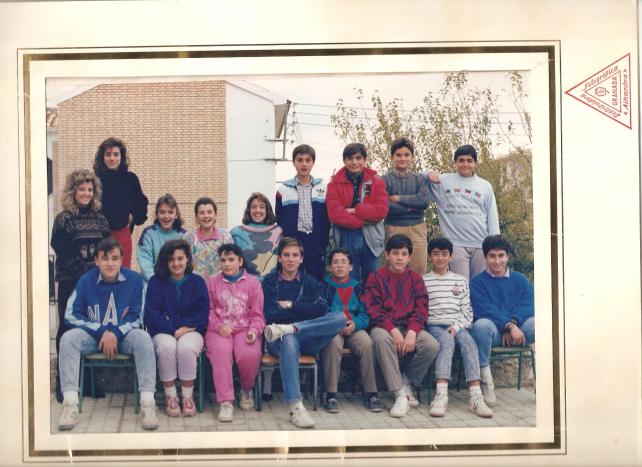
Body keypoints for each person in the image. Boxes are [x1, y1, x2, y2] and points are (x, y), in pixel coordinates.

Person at [57, 238, 159, 431]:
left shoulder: (134, 280)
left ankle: (147, 403)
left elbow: (137, 315)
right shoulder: (86, 280)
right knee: (68, 339)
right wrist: (102, 331)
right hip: (94, 337)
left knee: (144, 338)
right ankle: (70, 405)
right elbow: (71, 313)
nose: (110, 263)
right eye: (105, 258)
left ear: (122, 260)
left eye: (115, 258)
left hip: (124, 336)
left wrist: (115, 333)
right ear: (96, 260)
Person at [262, 237, 345, 428]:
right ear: (280, 258)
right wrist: (305, 311)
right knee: (289, 339)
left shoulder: (310, 281)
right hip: (277, 339)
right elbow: (270, 312)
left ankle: (291, 328)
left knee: (339, 317)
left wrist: (291, 305)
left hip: (305, 337)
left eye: (295, 255)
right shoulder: (270, 282)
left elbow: (321, 309)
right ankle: (296, 407)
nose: (291, 259)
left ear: (301, 258)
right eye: (286, 255)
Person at [51, 169, 111, 402]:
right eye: (82, 189)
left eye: (90, 189)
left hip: (96, 283)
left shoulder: (100, 219)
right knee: (67, 330)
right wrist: (86, 274)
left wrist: (99, 273)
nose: (86, 193)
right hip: (71, 282)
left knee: (93, 328)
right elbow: (63, 250)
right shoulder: (63, 219)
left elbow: (106, 250)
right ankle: (65, 385)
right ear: (72, 191)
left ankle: (90, 383)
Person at [366, 234, 439, 418]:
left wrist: (412, 331)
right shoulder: (376, 277)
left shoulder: (416, 279)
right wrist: (393, 330)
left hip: (409, 326)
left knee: (431, 345)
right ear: (387, 255)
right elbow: (374, 309)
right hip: (384, 327)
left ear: (409, 257)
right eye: (395, 253)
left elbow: (421, 309)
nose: (399, 258)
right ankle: (399, 394)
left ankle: (406, 382)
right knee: (381, 340)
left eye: (404, 254)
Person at [423, 237, 493, 418]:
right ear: (429, 257)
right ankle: (441, 396)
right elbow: (422, 311)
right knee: (446, 341)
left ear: (451, 257)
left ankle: (476, 397)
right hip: (434, 326)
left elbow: (467, 312)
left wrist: (456, 327)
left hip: (458, 326)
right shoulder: (423, 281)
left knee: (469, 342)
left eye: (444, 254)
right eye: (435, 254)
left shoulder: (460, 281)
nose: (440, 258)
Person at [143, 239, 208, 417]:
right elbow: (152, 315)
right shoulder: (156, 282)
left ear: (187, 259)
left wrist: (178, 326)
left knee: (186, 347)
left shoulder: (197, 282)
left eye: (180, 258)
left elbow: (202, 314)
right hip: (163, 331)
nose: (176, 263)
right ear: (165, 261)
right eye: (171, 259)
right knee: (166, 347)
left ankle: (187, 397)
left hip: (192, 330)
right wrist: (174, 329)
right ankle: (170, 396)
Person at [470, 234, 535, 407]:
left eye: (501, 256)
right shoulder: (477, 282)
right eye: (492, 256)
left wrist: (513, 324)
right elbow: (483, 309)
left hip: (519, 332)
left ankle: (540, 377)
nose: (497, 261)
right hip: (494, 334)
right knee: (481, 325)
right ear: (485, 257)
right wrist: (507, 326)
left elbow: (529, 305)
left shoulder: (520, 279)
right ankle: (486, 380)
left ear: (507, 256)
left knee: (539, 324)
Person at [319, 248, 384, 413]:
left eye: (344, 262)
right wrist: (335, 325)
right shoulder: (324, 286)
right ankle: (331, 395)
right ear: (330, 267)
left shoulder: (359, 287)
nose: (340, 266)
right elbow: (320, 312)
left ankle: (371, 394)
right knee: (333, 344)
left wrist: (355, 324)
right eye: (335, 262)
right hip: (333, 329)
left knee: (367, 343)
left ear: (351, 267)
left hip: (354, 327)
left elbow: (365, 315)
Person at [205, 243, 265, 422]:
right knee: (221, 353)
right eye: (223, 260)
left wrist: (254, 330)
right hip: (219, 329)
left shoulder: (253, 283)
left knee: (249, 355)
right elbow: (207, 311)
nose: (226, 264)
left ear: (240, 261)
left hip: (245, 328)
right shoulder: (212, 283)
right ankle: (225, 402)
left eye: (231, 260)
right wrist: (218, 326)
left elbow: (258, 315)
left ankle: (246, 390)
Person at [424, 144, 500, 280]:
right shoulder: (443, 181)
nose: (465, 164)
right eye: (461, 160)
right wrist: (429, 173)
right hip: (455, 244)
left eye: (469, 161)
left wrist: (494, 245)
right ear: (455, 162)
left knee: (478, 286)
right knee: (460, 285)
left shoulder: (485, 186)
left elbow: (492, 216)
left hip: (481, 244)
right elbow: (419, 178)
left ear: (475, 163)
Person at [326, 143, 389, 284]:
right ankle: (351, 300)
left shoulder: (376, 182)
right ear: (344, 160)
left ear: (365, 159)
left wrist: (355, 210)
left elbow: (381, 211)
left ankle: (371, 300)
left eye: (358, 158)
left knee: (372, 281)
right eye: (350, 158)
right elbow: (335, 214)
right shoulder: (334, 184)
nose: (354, 162)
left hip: (372, 237)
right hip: (346, 236)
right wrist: (365, 219)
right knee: (348, 280)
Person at [275, 144, 330, 281]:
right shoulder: (283, 190)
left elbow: (327, 218)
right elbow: (280, 218)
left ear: (313, 163)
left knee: (315, 279)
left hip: (316, 241)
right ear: (294, 162)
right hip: (293, 241)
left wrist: (323, 240)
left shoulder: (323, 188)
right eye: (300, 160)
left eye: (308, 160)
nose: (304, 164)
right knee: (293, 278)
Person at [93, 137, 148, 268]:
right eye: (108, 154)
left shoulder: (130, 178)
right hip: (99, 234)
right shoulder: (95, 179)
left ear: (121, 157)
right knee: (102, 270)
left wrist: (133, 216)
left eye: (116, 154)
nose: (112, 158)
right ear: (102, 157)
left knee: (122, 271)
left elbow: (141, 203)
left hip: (123, 233)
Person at [382, 137, 431, 274]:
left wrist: (398, 198)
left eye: (406, 155)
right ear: (392, 157)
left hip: (417, 228)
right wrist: (412, 207)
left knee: (418, 271)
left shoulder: (419, 179)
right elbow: (386, 207)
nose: (402, 158)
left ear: (412, 157)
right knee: (394, 271)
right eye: (398, 155)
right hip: (393, 228)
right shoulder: (384, 180)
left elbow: (423, 202)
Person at [137, 194, 187, 284]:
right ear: (157, 214)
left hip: (178, 281)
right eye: (162, 212)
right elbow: (145, 263)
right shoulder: (148, 234)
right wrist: (156, 283)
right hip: (152, 282)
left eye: (170, 212)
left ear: (176, 215)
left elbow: (188, 262)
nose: (166, 216)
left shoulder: (185, 235)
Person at [231, 192, 283, 277]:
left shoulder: (279, 232)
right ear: (249, 210)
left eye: (262, 207)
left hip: (273, 284)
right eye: (254, 207)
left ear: (267, 210)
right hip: (246, 284)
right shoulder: (236, 233)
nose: (258, 210)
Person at [183, 197, 233, 280]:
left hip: (220, 285)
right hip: (195, 285)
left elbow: (231, 263)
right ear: (196, 217)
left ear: (215, 215)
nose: (206, 216)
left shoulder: (225, 237)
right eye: (201, 213)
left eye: (209, 212)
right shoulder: (188, 237)